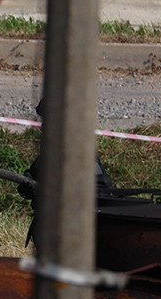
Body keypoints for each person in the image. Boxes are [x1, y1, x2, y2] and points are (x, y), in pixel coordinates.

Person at [17, 97, 114, 245]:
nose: (43, 127)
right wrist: (30, 187)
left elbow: (101, 191)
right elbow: (28, 183)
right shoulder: (47, 156)